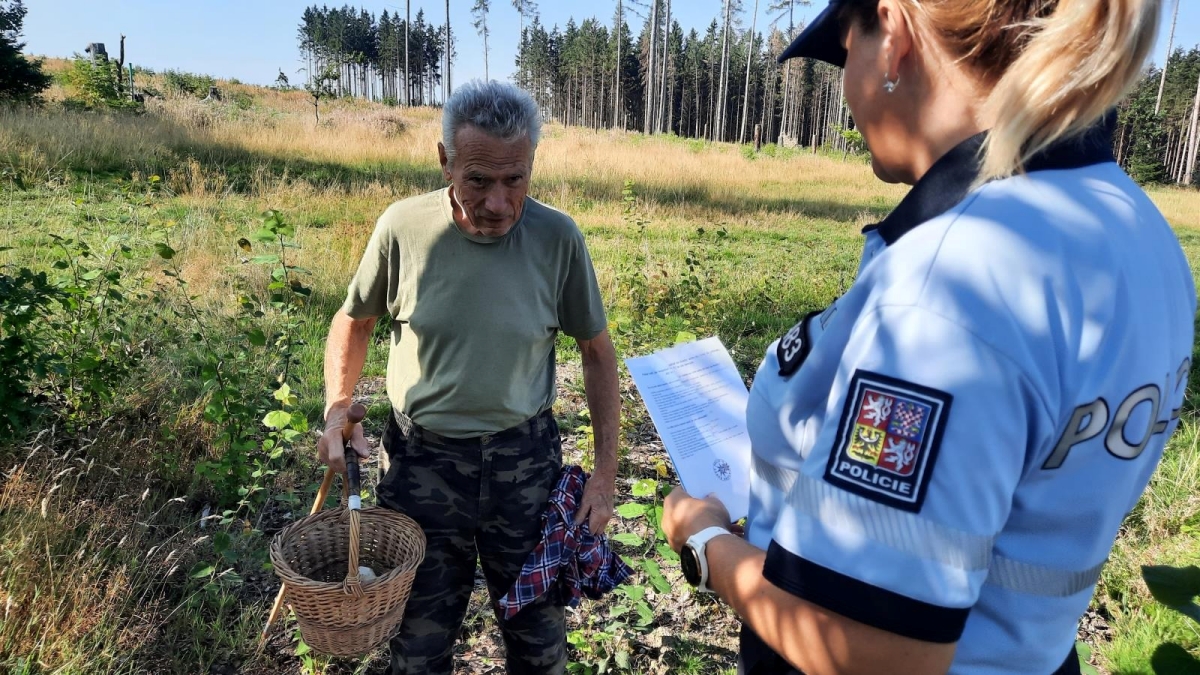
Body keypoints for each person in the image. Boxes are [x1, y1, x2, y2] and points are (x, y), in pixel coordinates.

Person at [662, 1, 1194, 673]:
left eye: (845, 51)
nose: (846, 86)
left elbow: (867, 649)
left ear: (893, 35)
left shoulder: (951, 283)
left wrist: (705, 542)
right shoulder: (1139, 230)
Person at [317, 80, 620, 675]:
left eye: (515, 179)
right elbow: (353, 322)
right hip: (421, 467)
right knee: (417, 647)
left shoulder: (557, 237)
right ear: (445, 161)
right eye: (478, 180)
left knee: (540, 645)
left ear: (532, 163)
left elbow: (596, 352)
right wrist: (337, 409)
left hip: (524, 467)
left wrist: (605, 475)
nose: (499, 203)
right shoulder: (403, 228)